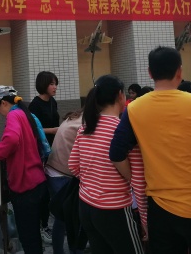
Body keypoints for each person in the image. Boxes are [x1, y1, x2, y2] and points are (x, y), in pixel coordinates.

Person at [110, 46, 191, 254]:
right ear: (179, 71)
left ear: (150, 72)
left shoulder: (135, 108)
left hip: (160, 210)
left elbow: (116, 154)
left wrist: (134, 179)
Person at [68, 75, 144, 254]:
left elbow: (73, 166)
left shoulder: (85, 128)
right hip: (114, 209)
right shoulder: (124, 131)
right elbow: (137, 180)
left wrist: (93, 181)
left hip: (86, 205)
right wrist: (146, 220)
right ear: (120, 95)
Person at [0, 86, 47, 254]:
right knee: (34, 234)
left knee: (27, 236)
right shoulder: (25, 114)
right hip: (37, 180)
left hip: (25, 185)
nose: (0, 113)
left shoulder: (13, 115)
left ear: (3, 103)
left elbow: (12, 139)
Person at [46, 108, 85, 254]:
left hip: (53, 169)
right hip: (63, 174)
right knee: (70, 217)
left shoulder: (74, 118)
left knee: (61, 216)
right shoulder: (84, 125)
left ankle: (59, 250)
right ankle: (73, 250)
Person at [29, 71, 60, 244]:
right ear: (43, 85)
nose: (55, 87)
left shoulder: (53, 102)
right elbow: (34, 130)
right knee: (43, 190)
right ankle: (43, 225)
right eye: (51, 84)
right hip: (41, 151)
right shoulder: (35, 105)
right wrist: (53, 130)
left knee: (53, 186)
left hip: (54, 149)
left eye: (56, 84)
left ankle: (55, 221)